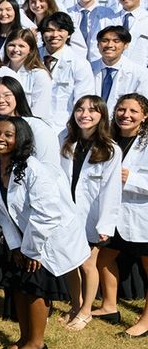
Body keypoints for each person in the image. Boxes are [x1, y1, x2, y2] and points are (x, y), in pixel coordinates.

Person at [0, 117, 89, 349]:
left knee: (35, 289)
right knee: (19, 288)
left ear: (20, 139)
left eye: (8, 135)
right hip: (22, 241)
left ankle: (36, 344)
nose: (1, 138)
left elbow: (48, 213)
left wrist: (31, 249)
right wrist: (16, 245)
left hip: (46, 240)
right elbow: (1, 209)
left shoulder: (33, 168)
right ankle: (23, 338)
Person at [57, 96, 122, 332]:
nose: (85, 114)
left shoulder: (110, 149)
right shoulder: (64, 140)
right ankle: (75, 306)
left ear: (102, 116)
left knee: (87, 264)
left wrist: (106, 225)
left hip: (92, 219)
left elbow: (111, 191)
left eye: (93, 111)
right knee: (71, 264)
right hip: (67, 214)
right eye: (80, 109)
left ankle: (86, 312)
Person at [96, 94, 148, 337]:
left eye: (133, 111)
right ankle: (109, 305)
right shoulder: (108, 140)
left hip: (141, 216)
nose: (125, 115)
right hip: (114, 214)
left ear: (144, 116)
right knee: (103, 258)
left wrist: (132, 179)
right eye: (121, 109)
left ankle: (146, 321)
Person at [0, 76, 61, 167]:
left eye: (7, 95)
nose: (1, 100)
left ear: (18, 96)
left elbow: (49, 165)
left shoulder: (37, 127)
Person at [39, 12, 96, 130]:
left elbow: (83, 101)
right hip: (33, 125)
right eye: (49, 30)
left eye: (61, 30)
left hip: (64, 128)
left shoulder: (80, 64)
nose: (55, 35)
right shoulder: (31, 58)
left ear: (69, 34)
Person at [91, 25, 148, 114]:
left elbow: (142, 107)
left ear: (126, 45)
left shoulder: (140, 73)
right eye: (104, 41)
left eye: (116, 41)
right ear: (98, 45)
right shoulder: (87, 69)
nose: (109, 45)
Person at [0, 29, 52, 114]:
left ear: (30, 50)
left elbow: (39, 111)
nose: (16, 49)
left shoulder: (39, 75)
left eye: (21, 46)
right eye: (12, 45)